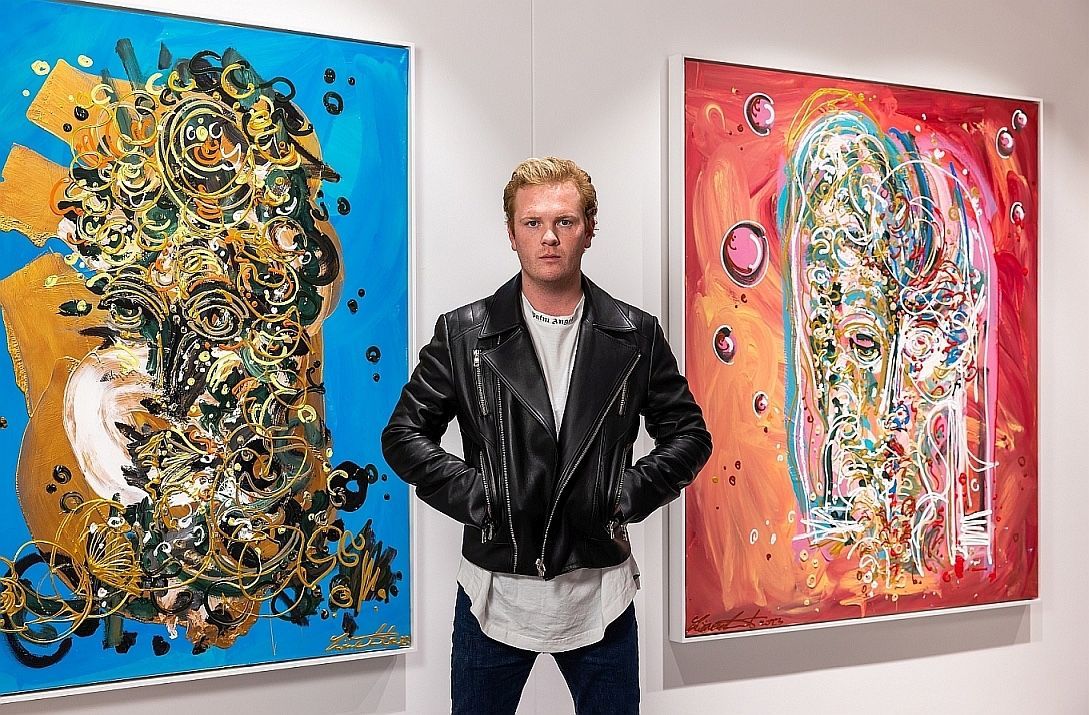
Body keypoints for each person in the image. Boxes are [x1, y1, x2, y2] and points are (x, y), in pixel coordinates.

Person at [382, 157, 711, 714]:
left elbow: (689, 435)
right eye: (532, 222)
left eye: (565, 221)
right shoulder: (464, 334)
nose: (549, 237)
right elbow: (404, 435)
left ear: (589, 229)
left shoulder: (634, 334)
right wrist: (481, 497)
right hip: (493, 595)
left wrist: (625, 494)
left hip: (601, 597)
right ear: (512, 233)